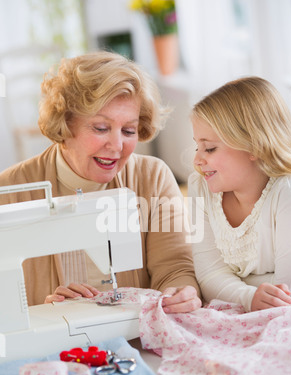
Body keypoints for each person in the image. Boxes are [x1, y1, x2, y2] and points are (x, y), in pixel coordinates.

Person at [0, 51, 201, 314]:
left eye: (128, 131)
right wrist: (42, 312)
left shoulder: (153, 178)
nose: (117, 145)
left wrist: (180, 291)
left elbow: (175, 266)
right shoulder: (9, 192)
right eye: (101, 128)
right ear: (65, 123)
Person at [188, 76, 291, 312]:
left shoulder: (288, 192)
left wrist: (234, 287)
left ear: (253, 146)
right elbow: (208, 275)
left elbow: (290, 295)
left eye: (209, 148)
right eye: (197, 146)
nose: (197, 160)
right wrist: (251, 296)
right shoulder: (200, 188)